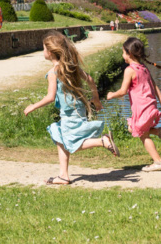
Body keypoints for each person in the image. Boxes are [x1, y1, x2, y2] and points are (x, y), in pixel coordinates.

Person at [24, 31, 119, 185]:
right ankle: (63, 175)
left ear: (50, 51)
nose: (43, 51)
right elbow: (90, 80)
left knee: (72, 142)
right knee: (59, 135)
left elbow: (50, 97)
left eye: (43, 48)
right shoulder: (71, 67)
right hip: (77, 108)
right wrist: (95, 99)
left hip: (69, 112)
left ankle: (102, 141)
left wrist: (32, 106)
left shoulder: (53, 73)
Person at [107, 37, 161, 171]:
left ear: (129, 53)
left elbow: (123, 91)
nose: (122, 55)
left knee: (142, 134)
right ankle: (159, 132)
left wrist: (112, 94)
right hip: (150, 105)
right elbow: (154, 85)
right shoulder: (144, 68)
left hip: (142, 107)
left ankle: (158, 162)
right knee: (132, 128)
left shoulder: (130, 70)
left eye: (123, 52)